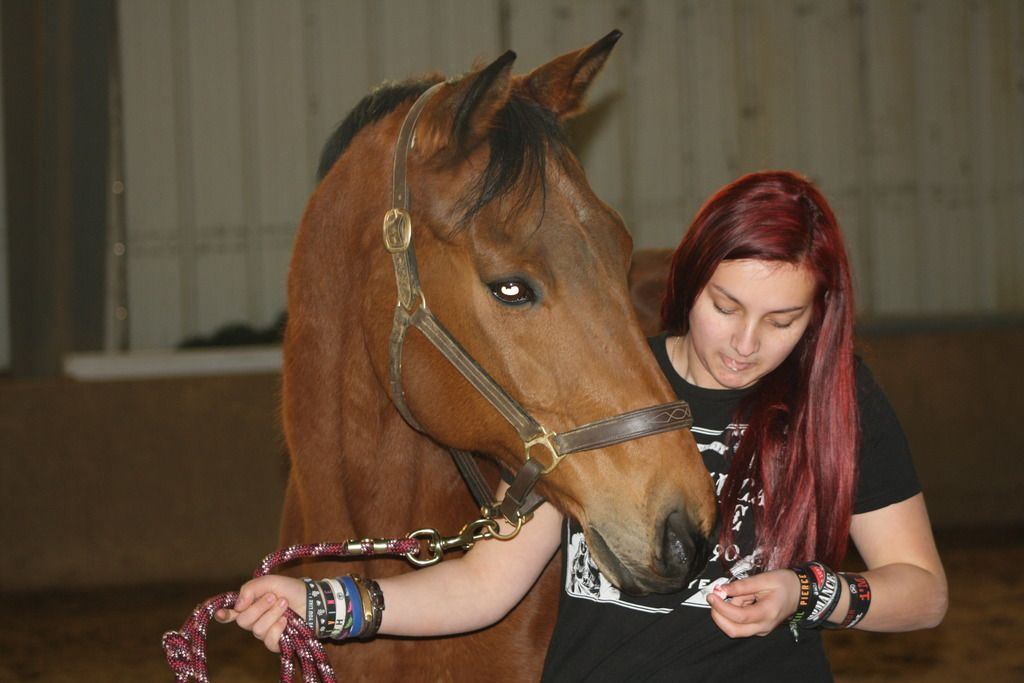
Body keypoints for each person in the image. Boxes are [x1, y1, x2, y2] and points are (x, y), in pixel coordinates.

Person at [216, 171, 947, 680]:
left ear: (818, 315)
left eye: (783, 320)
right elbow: (483, 583)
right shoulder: (607, 386)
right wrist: (326, 604)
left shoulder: (839, 398)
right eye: (726, 306)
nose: (746, 343)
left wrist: (806, 592)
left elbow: (921, 591)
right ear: (690, 279)